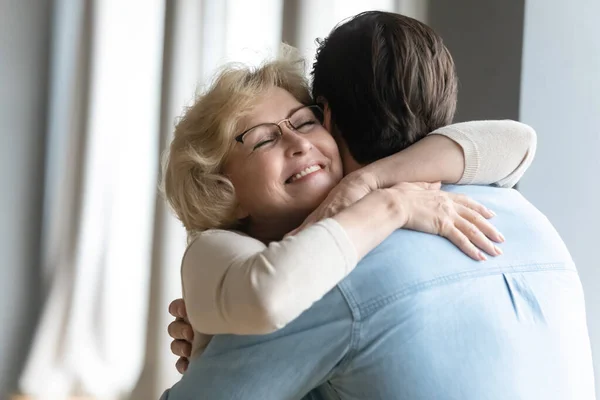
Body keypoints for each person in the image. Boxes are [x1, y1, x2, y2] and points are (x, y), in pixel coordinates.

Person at [163, 11, 595, 400]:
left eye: (304, 122)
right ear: (220, 187)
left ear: (328, 121)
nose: (297, 143)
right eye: (264, 139)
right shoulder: (523, 214)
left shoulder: (337, 275)